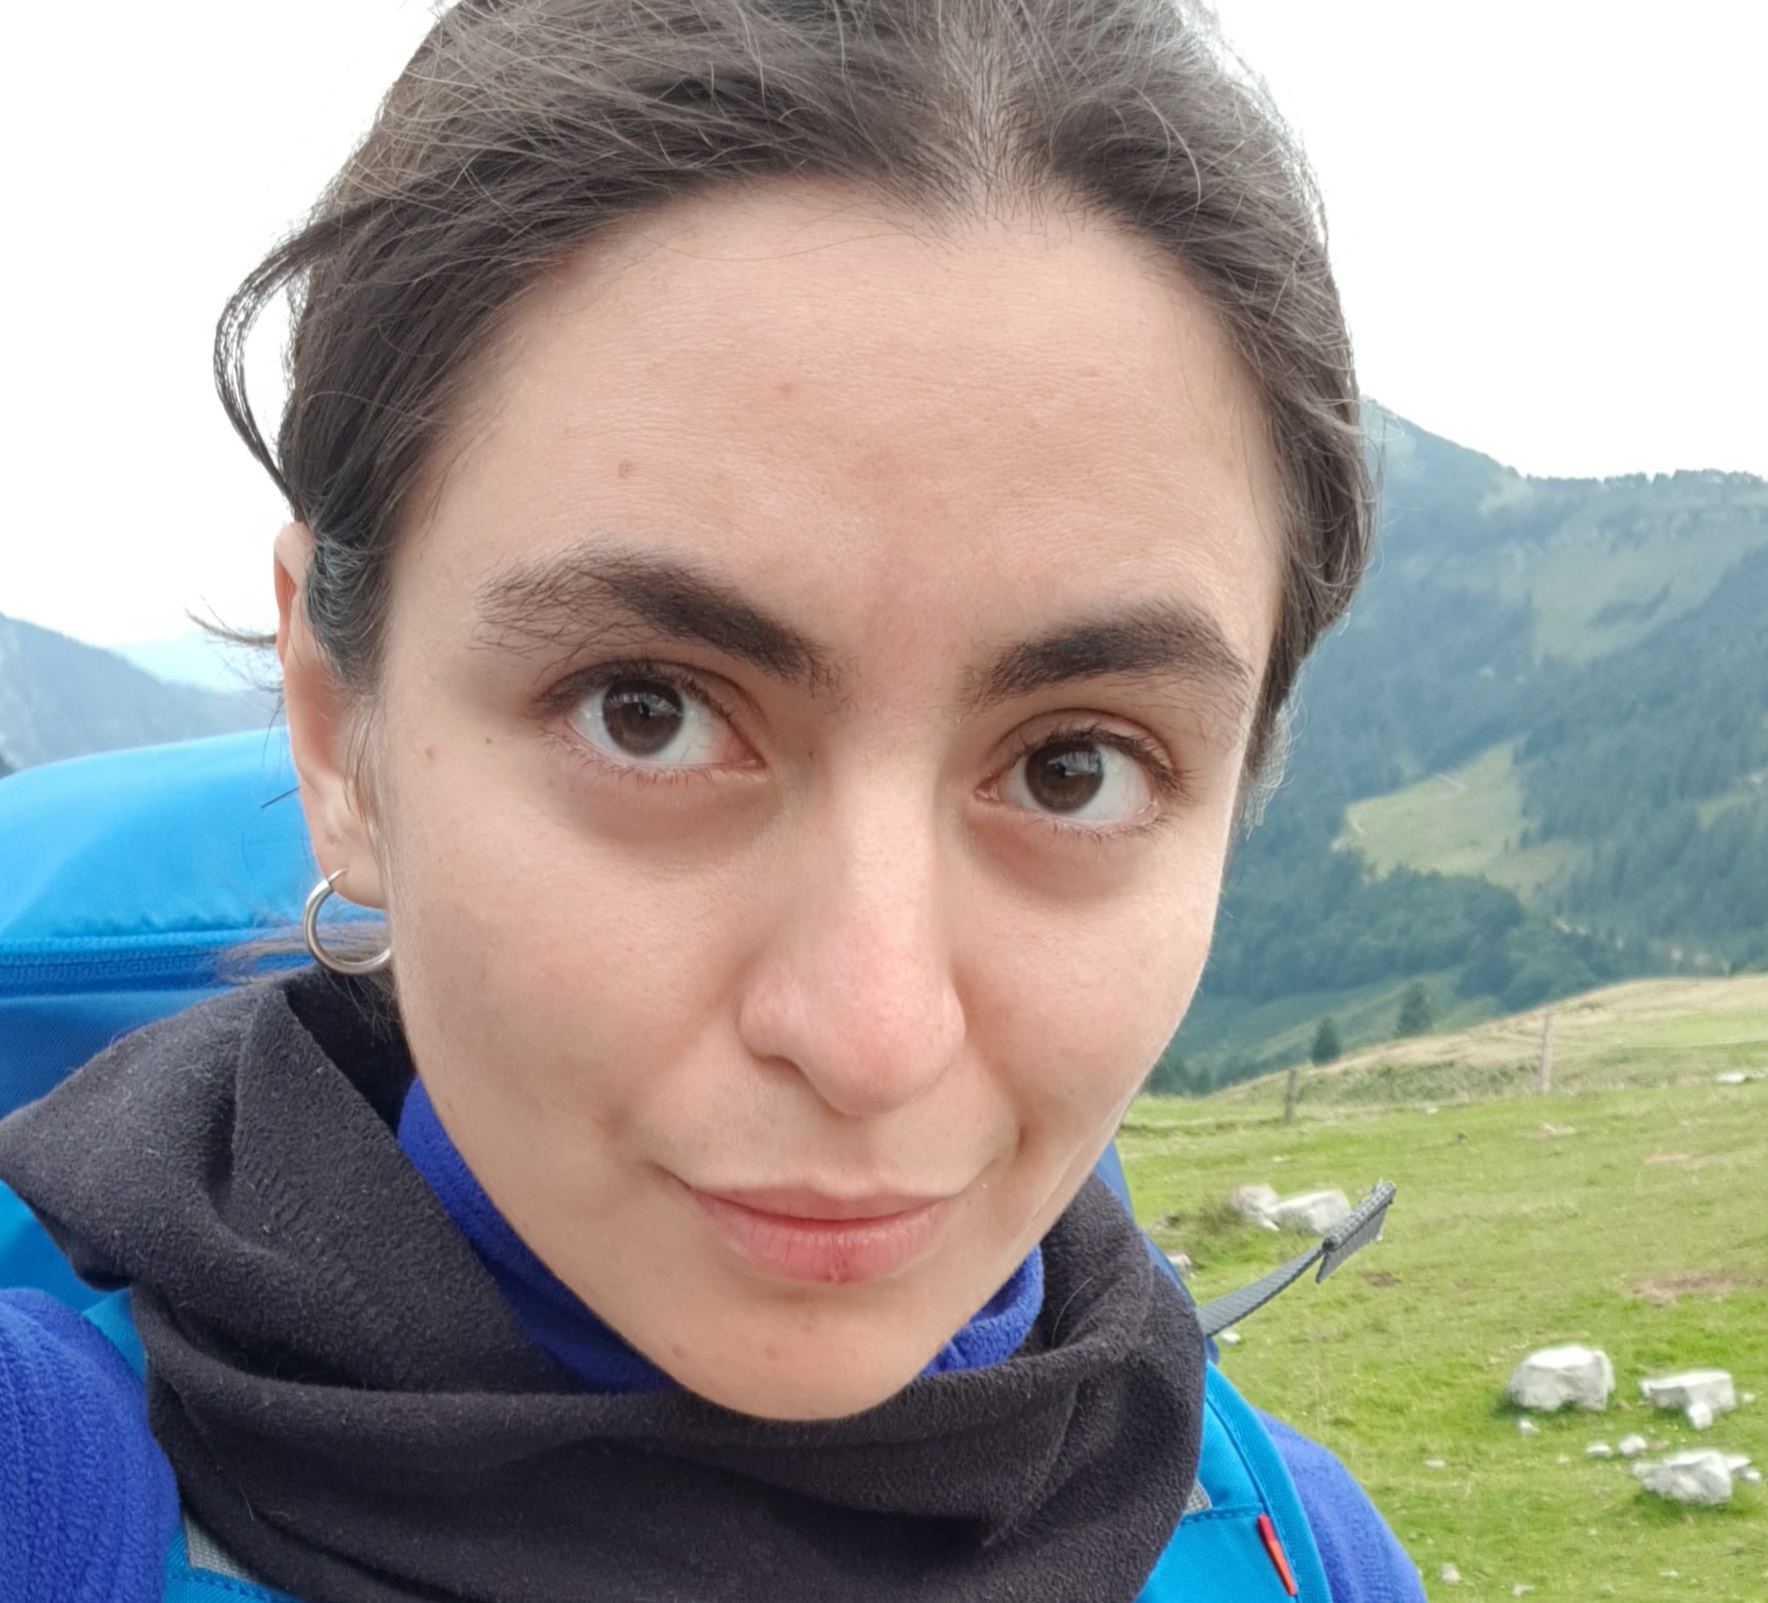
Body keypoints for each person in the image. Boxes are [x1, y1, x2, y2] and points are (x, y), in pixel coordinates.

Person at [0, 0, 1423, 1598]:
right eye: (648, 712)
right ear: (339, 731)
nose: (871, 1039)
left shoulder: (1304, 1552)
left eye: (1069, 767)